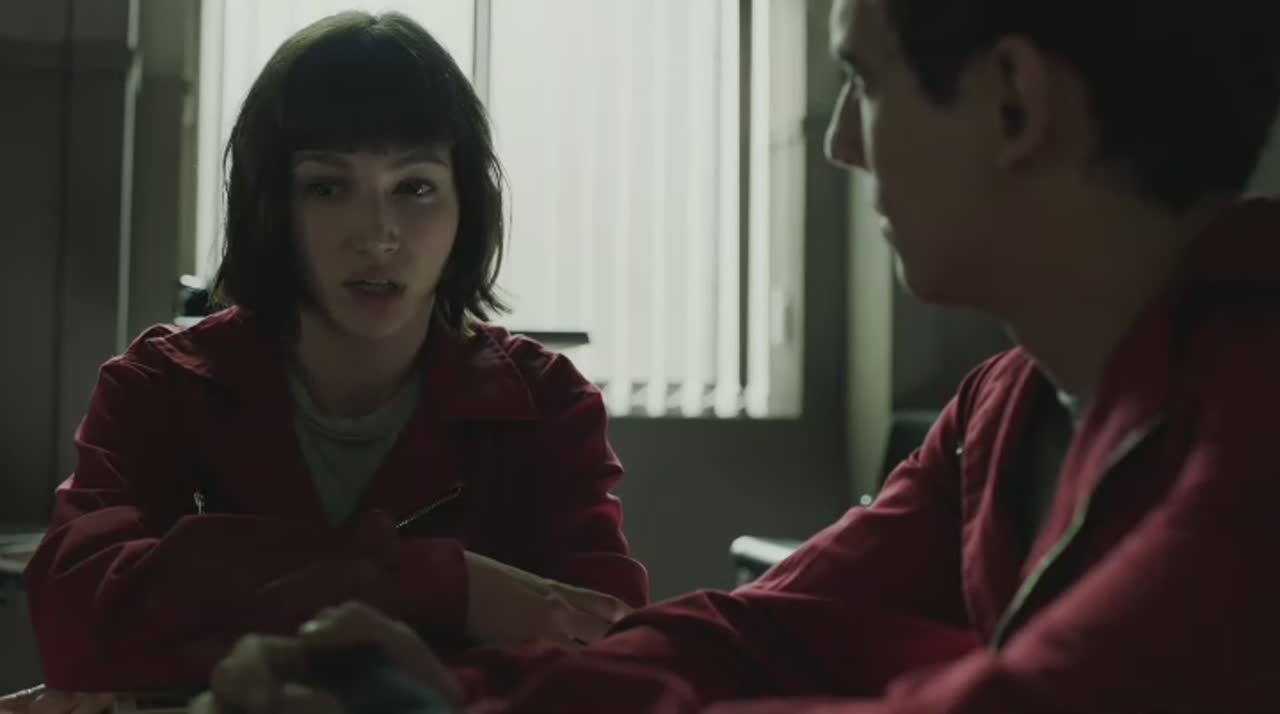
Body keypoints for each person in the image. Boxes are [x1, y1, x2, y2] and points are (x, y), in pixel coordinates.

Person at [190, 0, 1280, 711]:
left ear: (1012, 104)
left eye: (863, 82)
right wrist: (467, 693)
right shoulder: (1002, 411)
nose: (840, 142)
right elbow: (757, 634)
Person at [20, 9, 648, 702]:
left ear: (466, 204)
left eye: (415, 187)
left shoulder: (545, 404)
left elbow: (609, 667)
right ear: (271, 204)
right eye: (327, 187)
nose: (377, 235)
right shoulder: (161, 387)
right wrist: (443, 585)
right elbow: (82, 628)